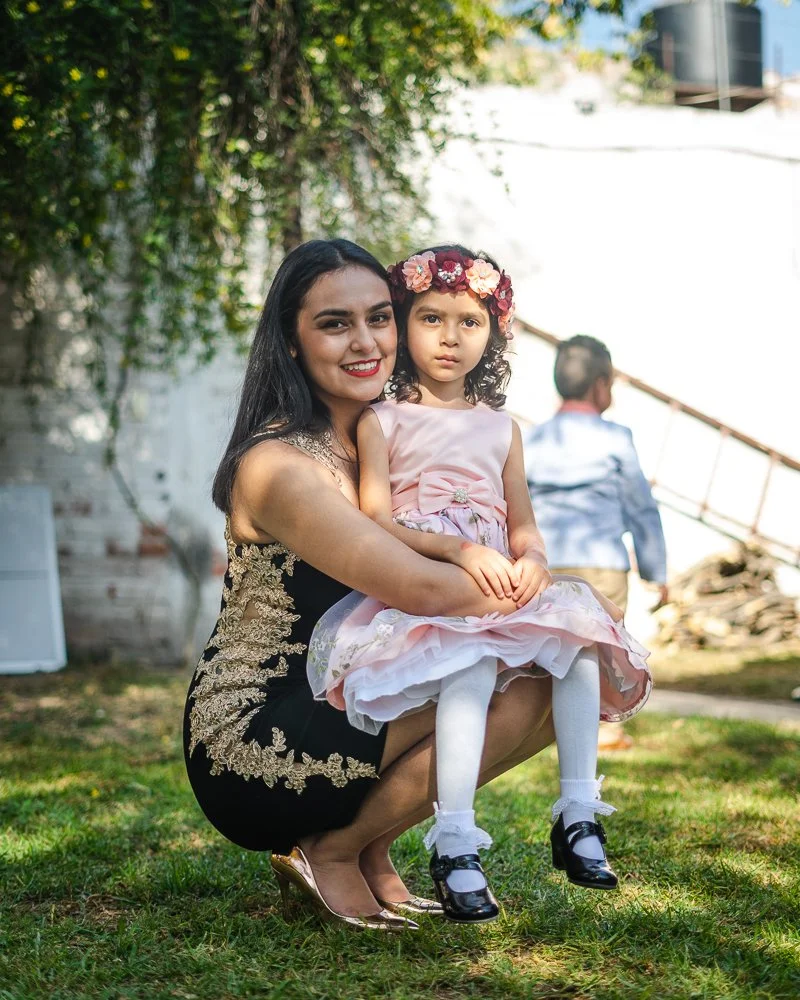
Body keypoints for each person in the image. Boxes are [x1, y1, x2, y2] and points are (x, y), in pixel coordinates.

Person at [182, 238, 559, 933]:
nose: (366, 342)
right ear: (292, 342)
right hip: (259, 733)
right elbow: (428, 591)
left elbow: (503, 526)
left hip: (349, 685)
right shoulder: (281, 464)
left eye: (380, 318)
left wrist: (531, 569)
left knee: (545, 685)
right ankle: (331, 849)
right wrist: (556, 611)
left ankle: (370, 844)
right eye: (334, 323)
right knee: (529, 665)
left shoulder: (399, 435)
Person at [307, 245, 652, 923]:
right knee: (467, 671)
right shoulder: (385, 419)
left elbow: (523, 524)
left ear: (493, 331)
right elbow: (375, 521)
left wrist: (533, 562)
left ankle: (579, 815)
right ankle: (455, 842)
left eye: (469, 321)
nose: (450, 337)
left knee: (579, 643)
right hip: (434, 584)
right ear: (404, 324)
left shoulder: (503, 429)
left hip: (502, 586)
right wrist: (459, 549)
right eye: (431, 318)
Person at [523, 334, 668, 749]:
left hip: (546, 564)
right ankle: (606, 728)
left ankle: (542, 723)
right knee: (603, 646)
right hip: (603, 562)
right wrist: (655, 570)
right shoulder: (617, 437)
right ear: (601, 386)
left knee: (548, 644)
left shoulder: (533, 439)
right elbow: (640, 507)